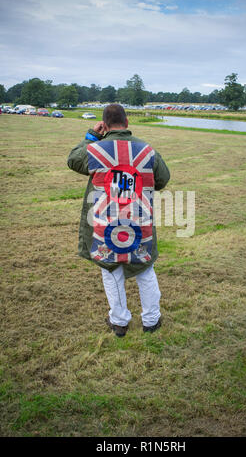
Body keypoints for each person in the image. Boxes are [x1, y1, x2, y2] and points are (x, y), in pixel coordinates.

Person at [67, 104, 170, 337]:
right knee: (145, 270)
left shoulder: (95, 150)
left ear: (105, 124)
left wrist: (92, 136)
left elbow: (73, 159)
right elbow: (163, 179)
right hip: (139, 223)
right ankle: (151, 321)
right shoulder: (147, 151)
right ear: (127, 122)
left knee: (111, 270)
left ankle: (119, 322)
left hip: (105, 224)